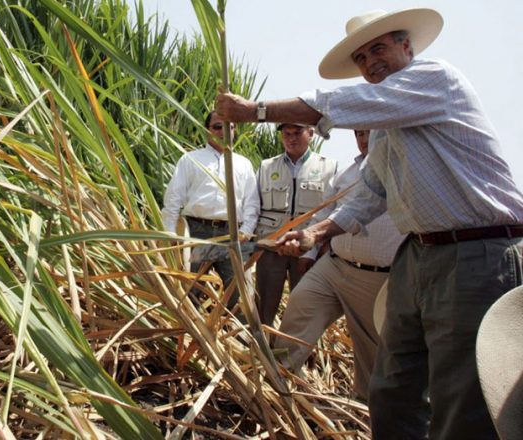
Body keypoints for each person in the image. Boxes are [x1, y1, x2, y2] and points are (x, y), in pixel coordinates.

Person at [214, 8, 523, 439]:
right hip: (419, 255)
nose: (369, 62)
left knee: (461, 396)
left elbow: (344, 103)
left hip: (476, 253)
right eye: (360, 58)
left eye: (378, 48)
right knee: (391, 386)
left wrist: (257, 110)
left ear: (406, 47)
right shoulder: (381, 129)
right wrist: (314, 233)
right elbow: (371, 193)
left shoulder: (436, 78)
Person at [274, 129, 404, 400]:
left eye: (369, 132)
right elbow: (325, 211)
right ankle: (276, 383)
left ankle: (363, 412)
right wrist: (309, 255)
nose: (363, 138)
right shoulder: (346, 173)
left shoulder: (403, 171)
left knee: (372, 349)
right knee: (300, 305)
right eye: (358, 133)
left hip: (376, 277)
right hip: (333, 266)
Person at [161, 111, 259, 311]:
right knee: (188, 292)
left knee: (240, 296)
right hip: (197, 233)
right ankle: (186, 338)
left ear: (234, 130)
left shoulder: (244, 164)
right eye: (217, 126)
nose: (223, 132)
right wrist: (170, 234)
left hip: (232, 236)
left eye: (229, 127)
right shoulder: (191, 160)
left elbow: (252, 202)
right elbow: (173, 198)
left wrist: (246, 231)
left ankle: (239, 339)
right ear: (208, 130)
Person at [255, 123, 336, 327]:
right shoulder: (266, 167)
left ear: (311, 133)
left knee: (306, 311)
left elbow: (334, 211)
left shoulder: (329, 167)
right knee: (263, 307)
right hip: (272, 249)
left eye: (297, 133)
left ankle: (301, 356)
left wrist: (318, 248)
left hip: (308, 252)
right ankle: (260, 352)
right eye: (286, 133)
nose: (291, 138)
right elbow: (253, 205)